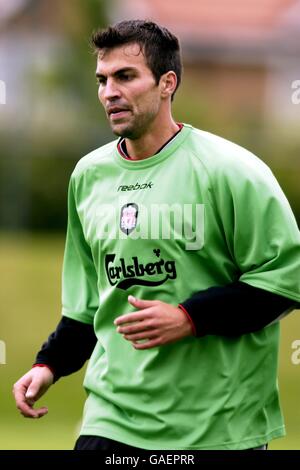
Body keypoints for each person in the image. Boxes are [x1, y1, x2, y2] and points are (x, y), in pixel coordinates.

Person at [13, 20, 300, 451]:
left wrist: (189, 318)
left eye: (125, 77)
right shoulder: (88, 177)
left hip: (217, 428)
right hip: (112, 420)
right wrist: (49, 364)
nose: (110, 91)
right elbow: (89, 303)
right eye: (102, 79)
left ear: (167, 83)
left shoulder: (232, 171)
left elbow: (285, 281)